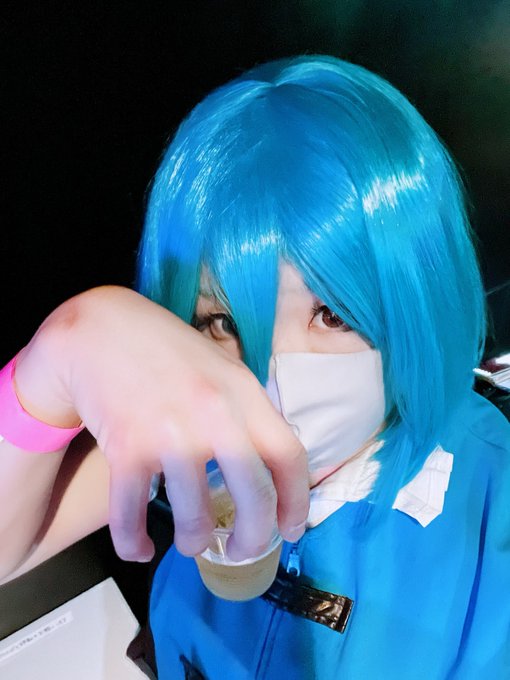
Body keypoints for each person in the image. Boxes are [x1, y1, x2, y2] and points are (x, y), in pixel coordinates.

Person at [1, 55, 509, 679]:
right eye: (223, 321)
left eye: (332, 315)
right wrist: (52, 364)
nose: (273, 379)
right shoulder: (192, 422)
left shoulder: (492, 508)